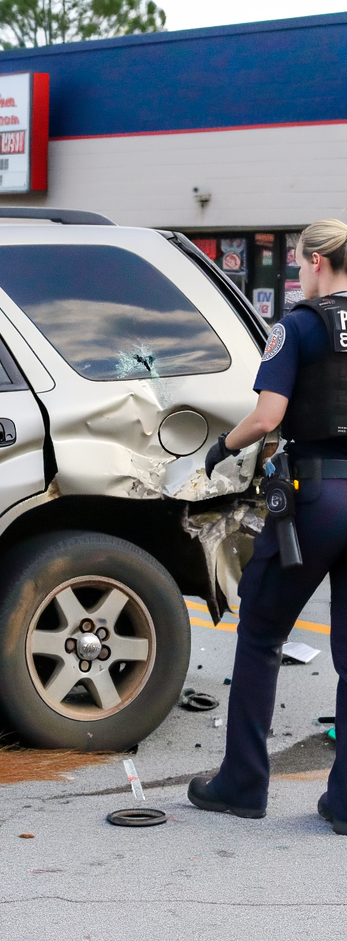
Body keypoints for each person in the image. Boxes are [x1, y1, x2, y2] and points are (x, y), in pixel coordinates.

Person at [191, 219, 347, 832]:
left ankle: (242, 783)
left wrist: (218, 450)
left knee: (259, 635)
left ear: (313, 261)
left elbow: (266, 417)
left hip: (319, 496)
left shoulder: (299, 326)